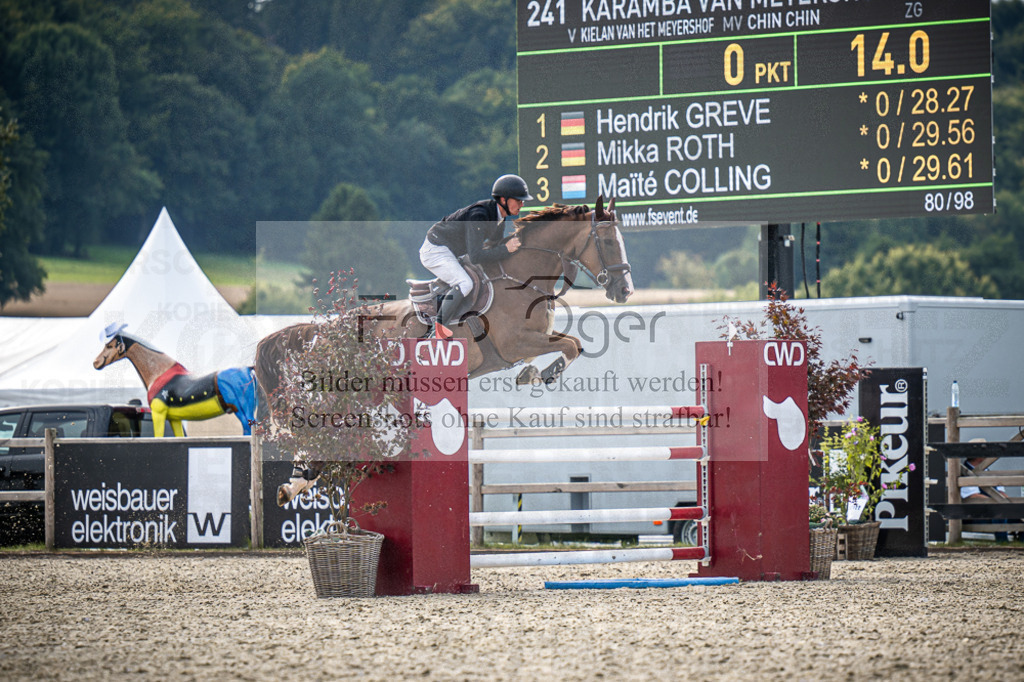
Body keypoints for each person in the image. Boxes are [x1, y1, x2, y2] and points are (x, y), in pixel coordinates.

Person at [419, 174, 532, 338]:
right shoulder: (479, 215)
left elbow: (495, 245)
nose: (522, 204)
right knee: (465, 283)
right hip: (436, 250)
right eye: (519, 200)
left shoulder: (499, 217)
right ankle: (438, 328)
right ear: (503, 200)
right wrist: (506, 250)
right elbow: (476, 256)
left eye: (523, 201)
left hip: (451, 250)